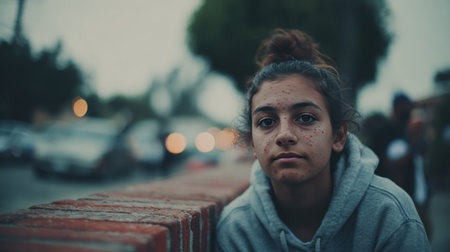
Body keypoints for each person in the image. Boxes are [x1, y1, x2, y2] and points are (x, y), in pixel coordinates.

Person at [215, 29, 430, 251]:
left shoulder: (389, 214)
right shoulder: (237, 229)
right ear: (252, 144)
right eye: (267, 122)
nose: (285, 135)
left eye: (306, 118)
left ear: (338, 136)